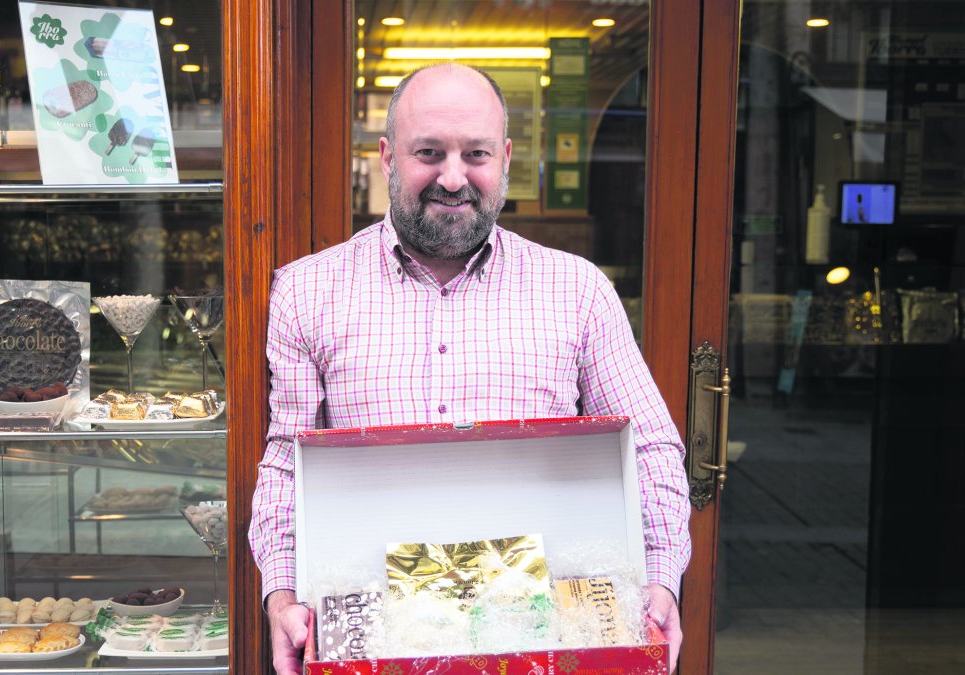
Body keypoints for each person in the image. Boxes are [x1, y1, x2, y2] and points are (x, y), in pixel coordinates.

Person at [249, 63, 691, 675]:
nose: (453, 178)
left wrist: (661, 579)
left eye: (475, 154)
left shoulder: (578, 290)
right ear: (387, 157)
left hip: (544, 638)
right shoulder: (306, 292)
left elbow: (652, 451)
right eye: (429, 152)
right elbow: (284, 465)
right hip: (371, 643)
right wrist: (282, 596)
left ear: (505, 158)